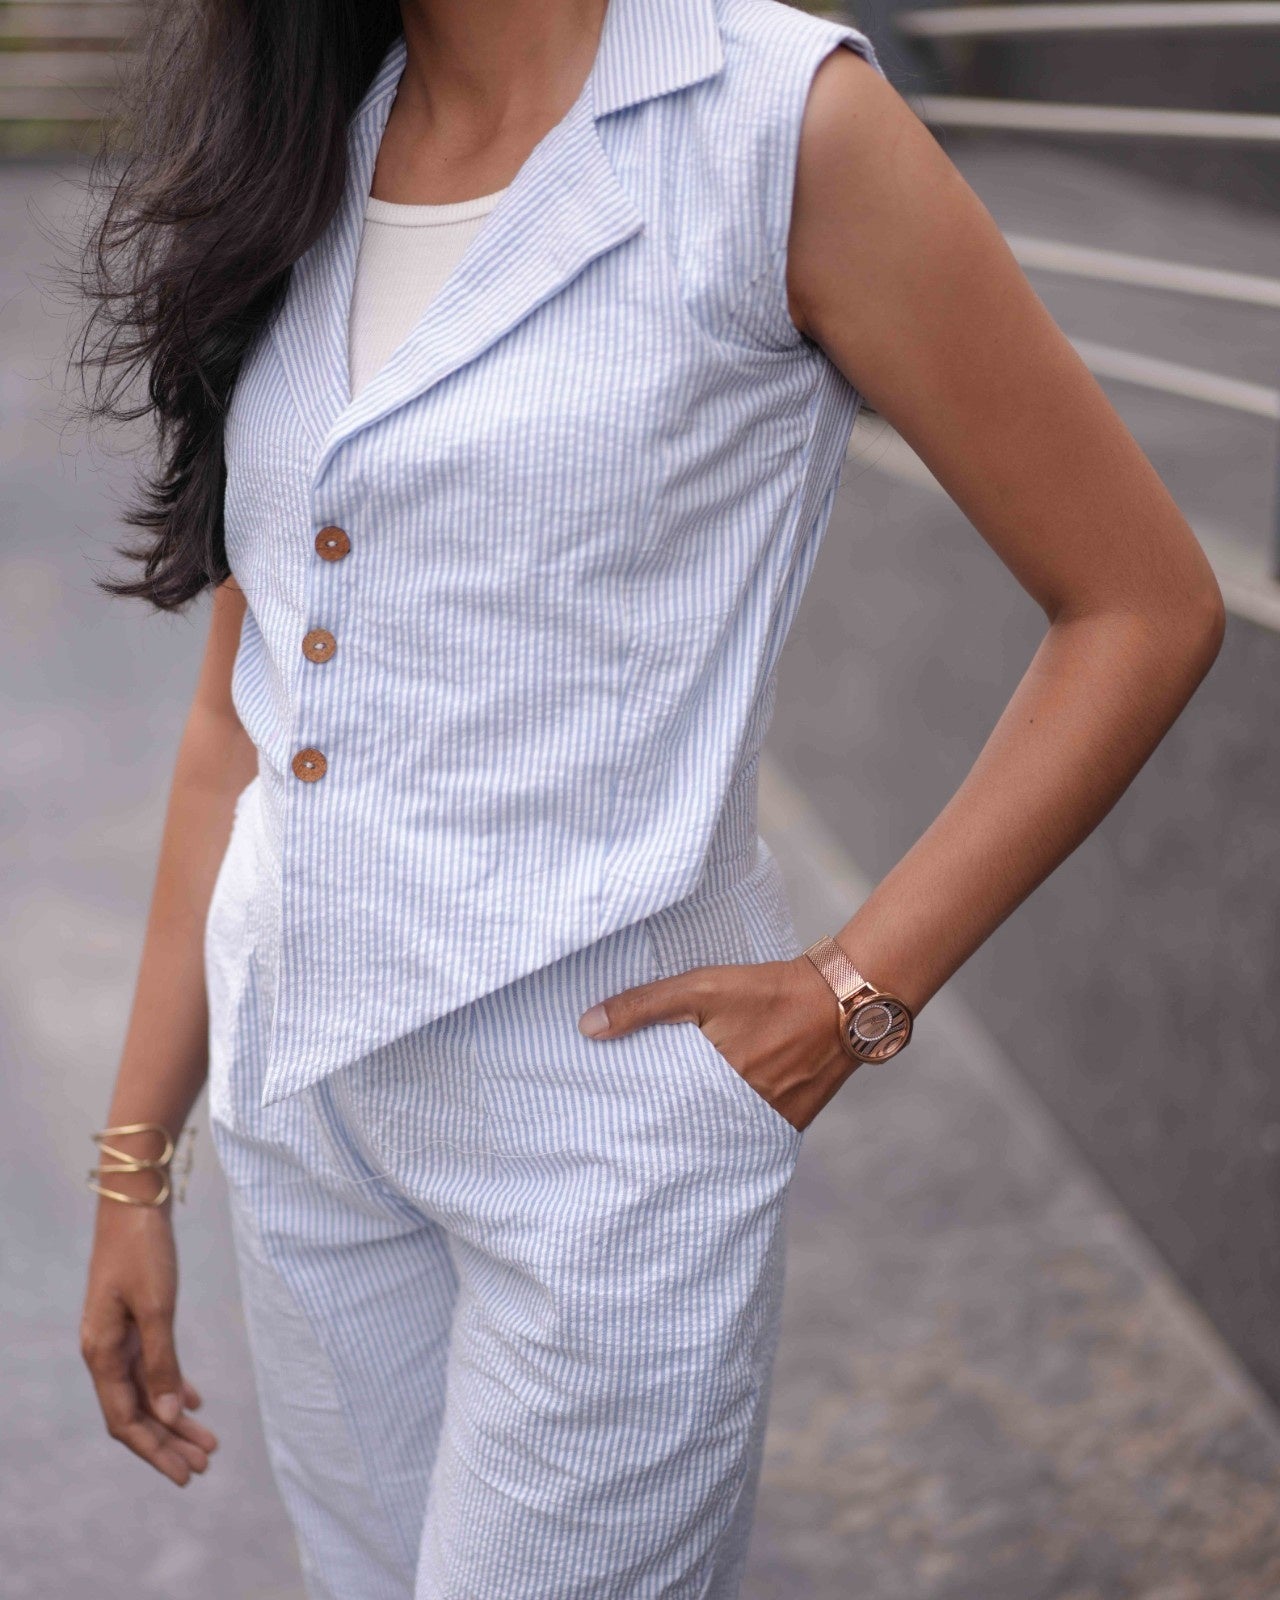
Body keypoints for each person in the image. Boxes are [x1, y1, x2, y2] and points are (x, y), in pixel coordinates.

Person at [74, 0, 1225, 1594]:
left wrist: (854, 997)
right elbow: (237, 722)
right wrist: (137, 1163)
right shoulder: (296, 140)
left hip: (604, 1122)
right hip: (298, 1097)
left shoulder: (780, 122)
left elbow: (1143, 603)